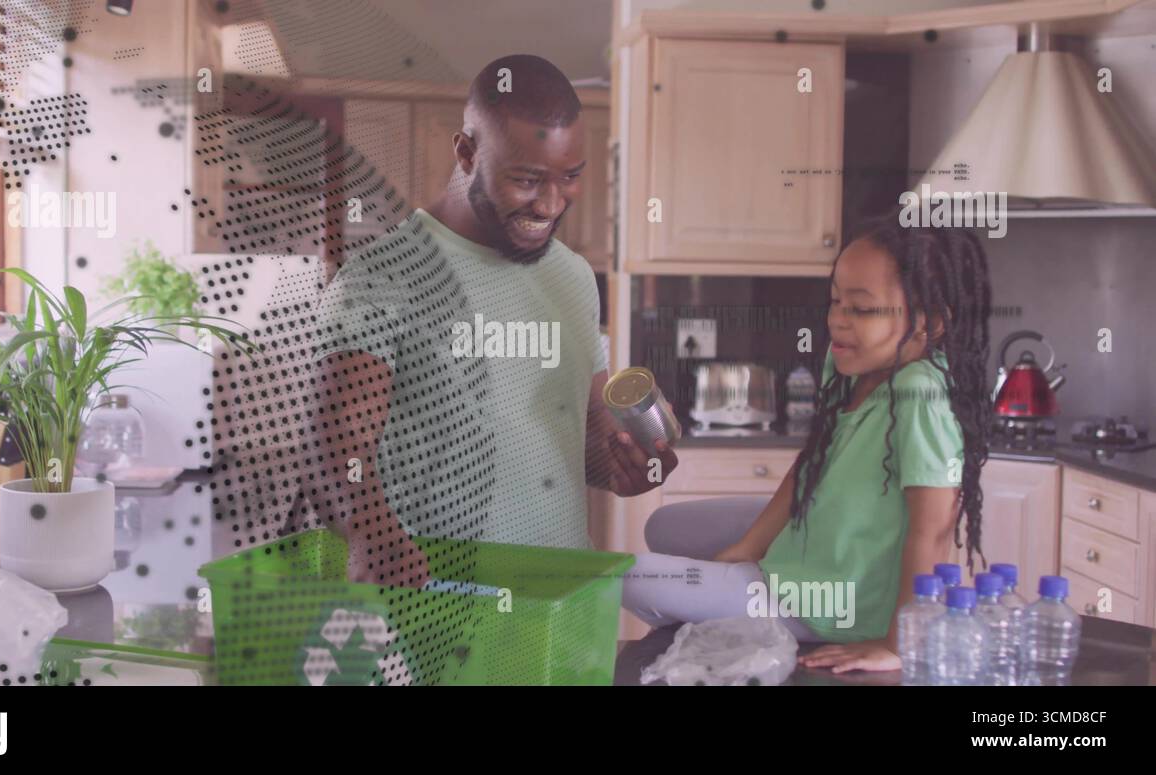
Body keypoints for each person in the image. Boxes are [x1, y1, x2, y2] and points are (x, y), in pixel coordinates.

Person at [307, 54, 678, 588]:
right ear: (466, 152)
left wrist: (630, 465)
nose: (550, 204)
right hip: (439, 607)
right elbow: (334, 449)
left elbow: (584, 446)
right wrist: (371, 533)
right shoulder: (387, 274)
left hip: (558, 598)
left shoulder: (572, 277)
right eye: (526, 178)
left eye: (568, 178)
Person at [622, 213, 993, 673]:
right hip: (817, 540)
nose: (838, 320)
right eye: (836, 301)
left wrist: (897, 643)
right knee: (665, 526)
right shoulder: (847, 365)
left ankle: (753, 601)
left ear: (929, 323)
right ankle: (738, 581)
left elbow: (933, 528)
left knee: (631, 575)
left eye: (861, 308)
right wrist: (752, 545)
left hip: (834, 599)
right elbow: (812, 463)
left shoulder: (923, 395)